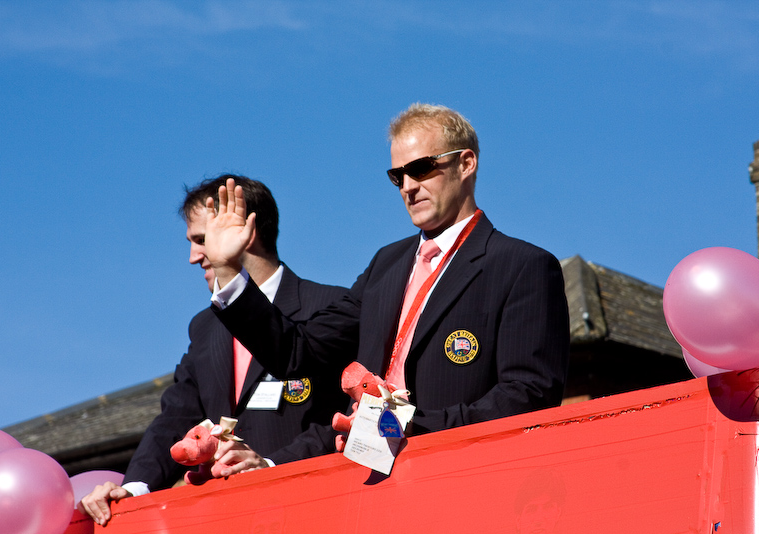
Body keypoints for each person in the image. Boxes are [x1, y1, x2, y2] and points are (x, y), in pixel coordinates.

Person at [205, 103, 570, 465]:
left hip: (456, 478)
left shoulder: (522, 266)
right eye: (398, 176)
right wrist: (227, 271)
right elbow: (298, 351)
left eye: (422, 168)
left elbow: (528, 397)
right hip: (365, 485)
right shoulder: (386, 264)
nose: (409, 187)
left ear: (466, 163)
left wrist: (409, 427)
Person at [78, 175, 348, 525]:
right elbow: (176, 419)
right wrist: (133, 488)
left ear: (244, 232)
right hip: (227, 519)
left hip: (314, 512)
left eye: (201, 240)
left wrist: (270, 466)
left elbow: (346, 418)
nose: (193, 257)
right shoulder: (205, 327)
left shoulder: (330, 306)